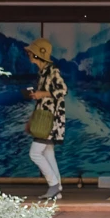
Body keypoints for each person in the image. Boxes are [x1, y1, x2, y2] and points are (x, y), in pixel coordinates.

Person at [22, 37, 67, 204]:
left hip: (50, 120)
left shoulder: (52, 70)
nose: (28, 55)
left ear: (37, 54)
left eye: (30, 52)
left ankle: (53, 184)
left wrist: (41, 94)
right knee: (48, 153)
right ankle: (57, 189)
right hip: (43, 118)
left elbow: (63, 90)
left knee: (34, 153)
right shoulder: (42, 72)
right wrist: (38, 96)